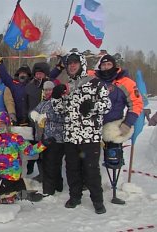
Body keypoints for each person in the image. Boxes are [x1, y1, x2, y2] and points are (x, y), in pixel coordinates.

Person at [51, 52, 111, 214]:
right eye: (69, 63)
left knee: (91, 170)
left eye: (75, 62)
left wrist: (92, 107)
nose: (71, 65)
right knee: (72, 169)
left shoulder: (96, 83)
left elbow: (107, 105)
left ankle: (98, 201)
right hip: (70, 137)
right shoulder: (68, 86)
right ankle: (75, 197)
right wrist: (56, 98)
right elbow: (60, 110)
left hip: (89, 137)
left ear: (82, 64)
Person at [96, 54, 143, 204]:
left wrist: (128, 123)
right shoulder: (94, 79)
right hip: (93, 126)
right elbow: (76, 70)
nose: (105, 67)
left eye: (108, 64)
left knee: (113, 159)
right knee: (90, 157)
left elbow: (136, 103)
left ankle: (114, 187)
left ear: (114, 66)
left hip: (113, 127)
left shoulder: (126, 82)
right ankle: (93, 183)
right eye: (103, 65)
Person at [0, 111, 53, 195]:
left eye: (2, 123)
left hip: (12, 174)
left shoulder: (15, 138)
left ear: (7, 124)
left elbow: (29, 150)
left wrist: (43, 144)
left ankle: (21, 193)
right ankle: (19, 193)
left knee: (5, 190)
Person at [29, 81, 65, 195]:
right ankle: (55, 186)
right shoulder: (43, 103)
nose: (48, 92)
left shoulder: (59, 101)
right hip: (45, 138)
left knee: (52, 164)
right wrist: (34, 115)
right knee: (48, 163)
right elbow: (33, 111)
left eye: (50, 90)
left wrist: (47, 116)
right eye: (46, 90)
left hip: (57, 138)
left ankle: (50, 189)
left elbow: (63, 117)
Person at [22, 62, 51, 178]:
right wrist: (25, 118)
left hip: (49, 124)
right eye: (37, 73)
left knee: (49, 150)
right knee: (37, 148)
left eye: (41, 73)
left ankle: (50, 175)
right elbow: (25, 103)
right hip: (33, 123)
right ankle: (41, 173)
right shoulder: (29, 86)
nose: (39, 76)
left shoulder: (50, 86)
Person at [0, 52, 32, 125]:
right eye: (21, 73)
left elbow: (45, 76)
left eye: (24, 73)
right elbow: (4, 75)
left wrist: (58, 69)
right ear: (18, 74)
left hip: (30, 119)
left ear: (28, 75)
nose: (22, 74)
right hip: (15, 118)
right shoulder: (13, 84)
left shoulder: (33, 84)